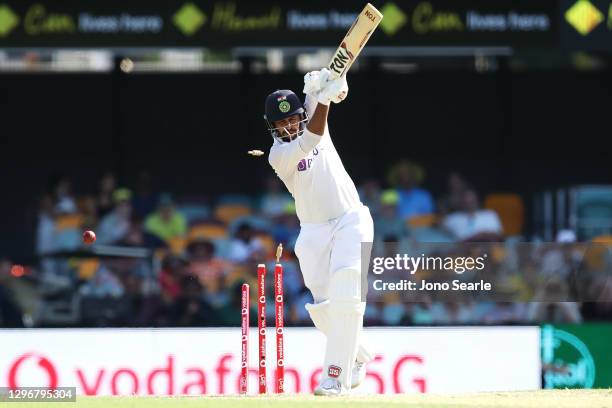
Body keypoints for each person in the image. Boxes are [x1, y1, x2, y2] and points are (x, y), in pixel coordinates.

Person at [265, 69, 374, 395]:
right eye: (280, 124)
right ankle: (356, 353)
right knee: (322, 306)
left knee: (347, 290)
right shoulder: (278, 155)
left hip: (350, 219)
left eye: (293, 119)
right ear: (271, 126)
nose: (288, 126)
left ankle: (334, 378)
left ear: (300, 114)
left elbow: (338, 92)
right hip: (312, 232)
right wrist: (322, 97)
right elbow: (313, 135)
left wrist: (330, 84)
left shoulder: (313, 112)